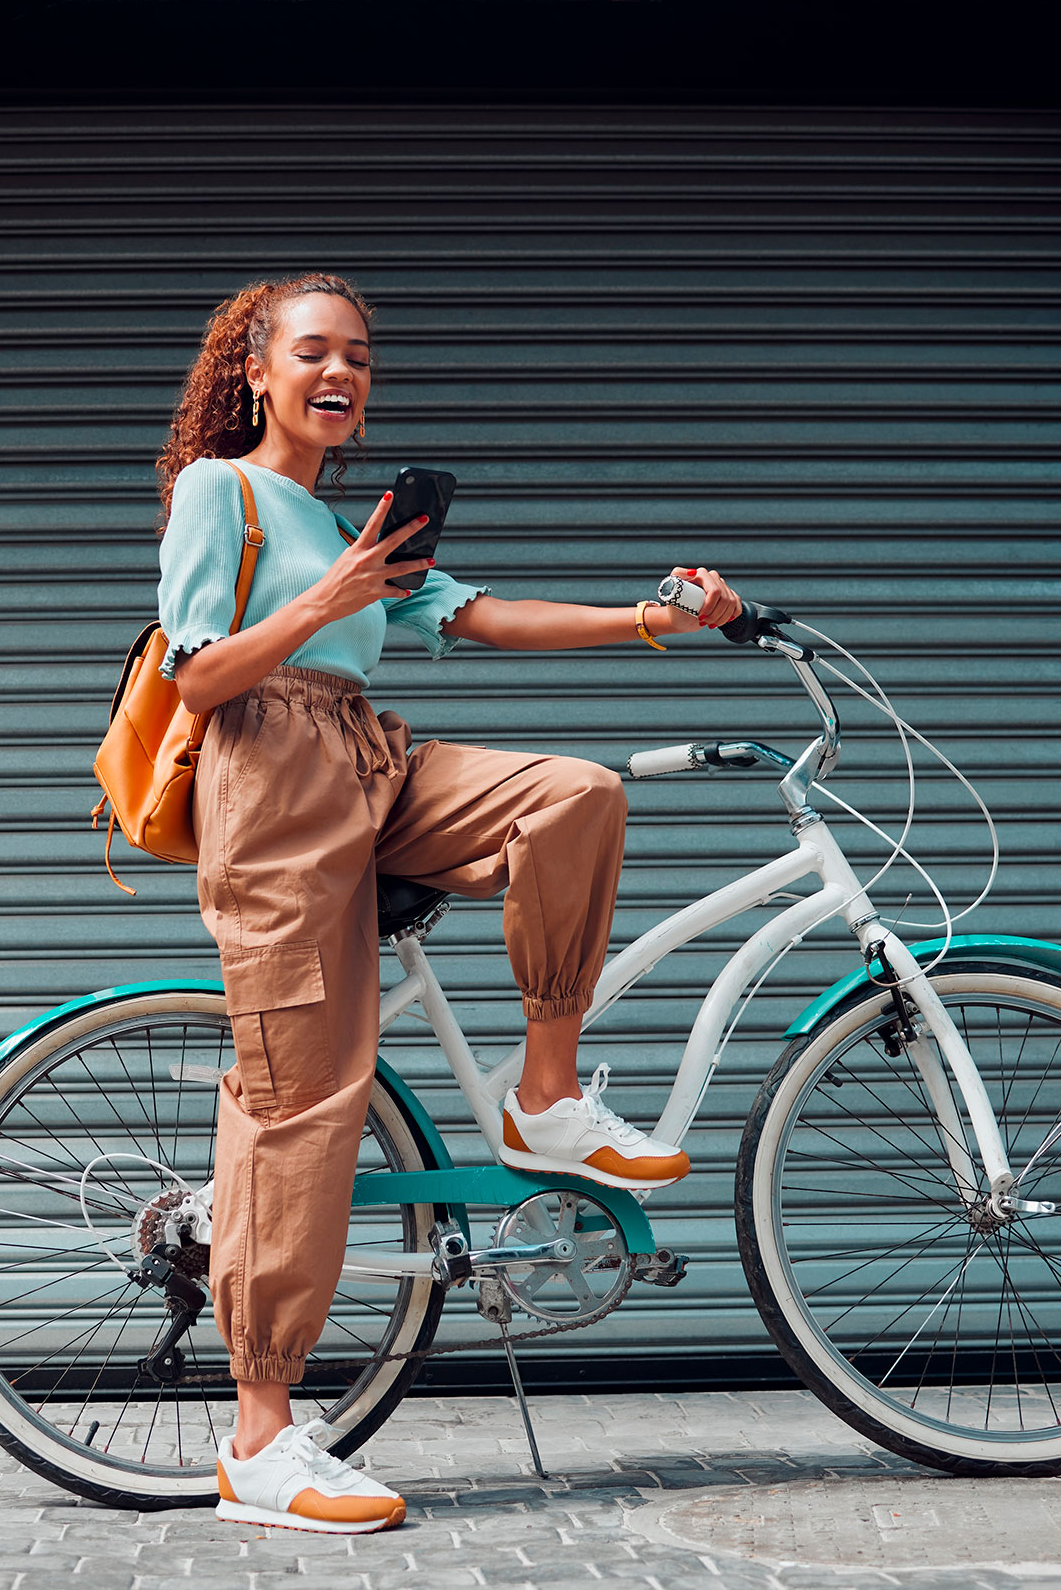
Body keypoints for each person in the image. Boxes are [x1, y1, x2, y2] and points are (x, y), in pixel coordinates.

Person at [155, 273, 745, 1534]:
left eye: (359, 357)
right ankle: (261, 1441)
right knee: (303, 1100)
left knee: (573, 794)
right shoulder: (225, 491)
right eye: (314, 351)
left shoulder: (354, 522)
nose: (342, 374)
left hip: (370, 758)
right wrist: (326, 600)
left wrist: (655, 619)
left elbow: (481, 614)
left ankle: (544, 1096)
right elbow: (194, 674)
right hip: (269, 792)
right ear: (256, 370)